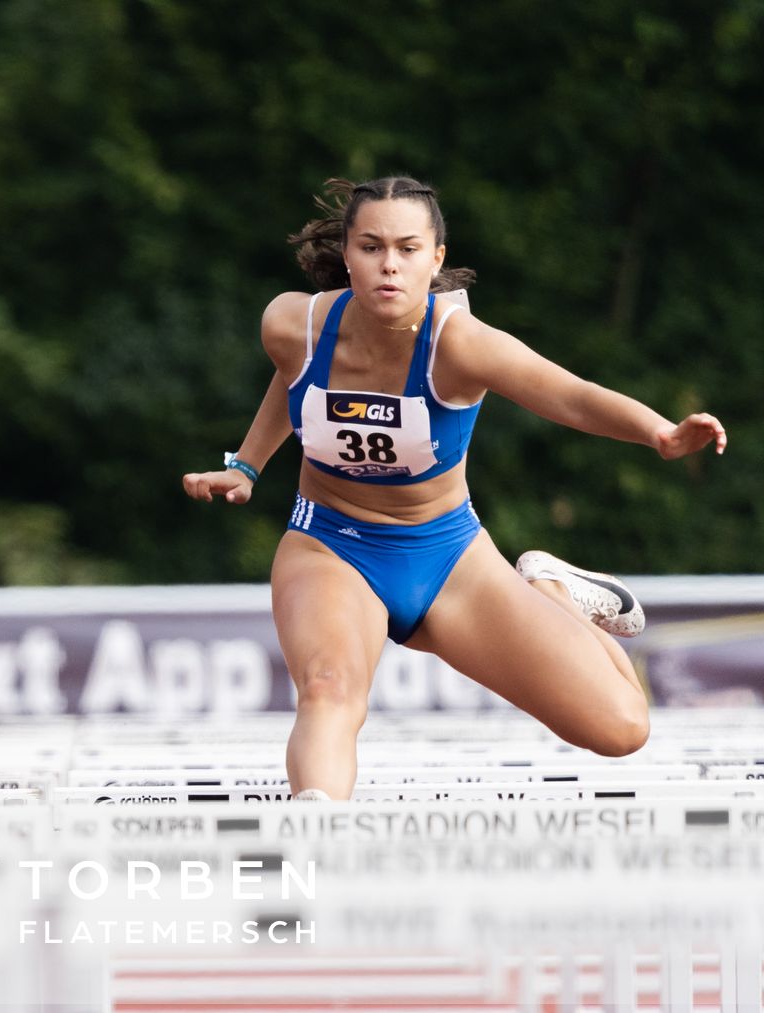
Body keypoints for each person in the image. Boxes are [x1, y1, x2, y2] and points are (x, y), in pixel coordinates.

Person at [183, 177, 725, 799]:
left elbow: (570, 396)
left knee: (623, 727)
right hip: (330, 544)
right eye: (371, 247)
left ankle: (550, 587)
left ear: (436, 257)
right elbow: (295, 378)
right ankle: (316, 843)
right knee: (329, 691)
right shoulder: (290, 324)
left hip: (448, 559)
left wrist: (658, 432)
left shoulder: (460, 345)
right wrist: (247, 466)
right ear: (348, 254)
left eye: (408, 249)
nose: (389, 265)